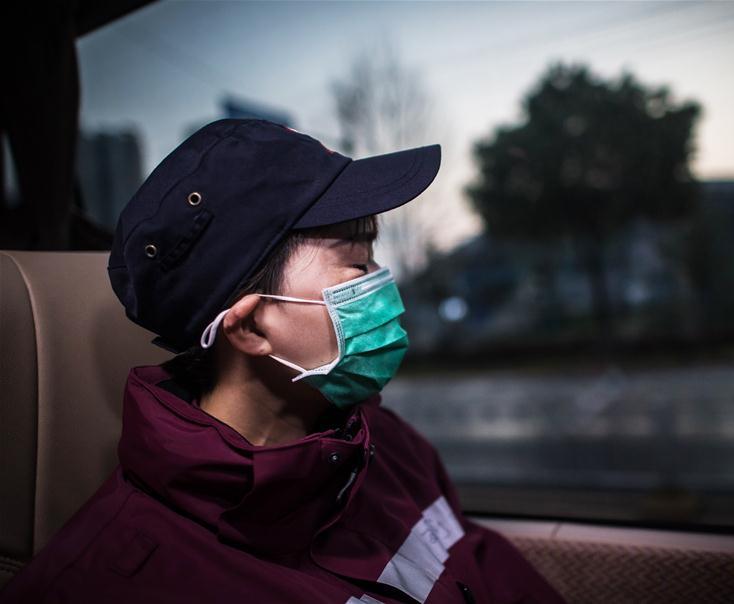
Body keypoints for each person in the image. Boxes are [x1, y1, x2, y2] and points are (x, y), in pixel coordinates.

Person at [0, 119, 566, 603]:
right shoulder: (120, 582)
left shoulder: (384, 442)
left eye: (374, 259)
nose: (384, 286)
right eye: (357, 265)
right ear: (250, 327)